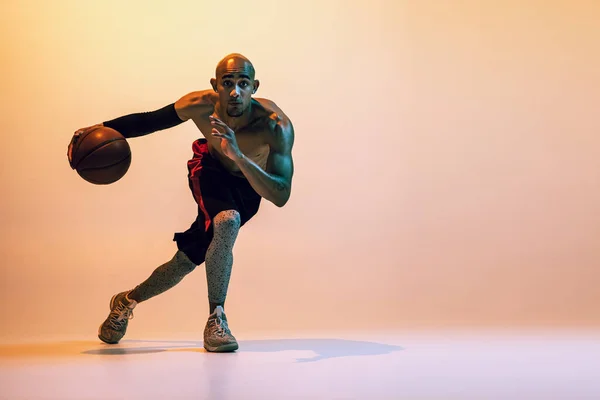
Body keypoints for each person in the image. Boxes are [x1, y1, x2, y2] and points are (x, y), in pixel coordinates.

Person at [67, 53, 295, 352]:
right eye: (228, 83)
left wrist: (237, 155)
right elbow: (151, 121)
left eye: (243, 83)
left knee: (184, 262)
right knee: (227, 221)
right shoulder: (199, 105)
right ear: (216, 85)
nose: (235, 91)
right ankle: (217, 319)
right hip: (211, 172)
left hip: (250, 186)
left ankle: (125, 302)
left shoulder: (275, 125)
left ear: (255, 86)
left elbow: (280, 195)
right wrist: (96, 129)